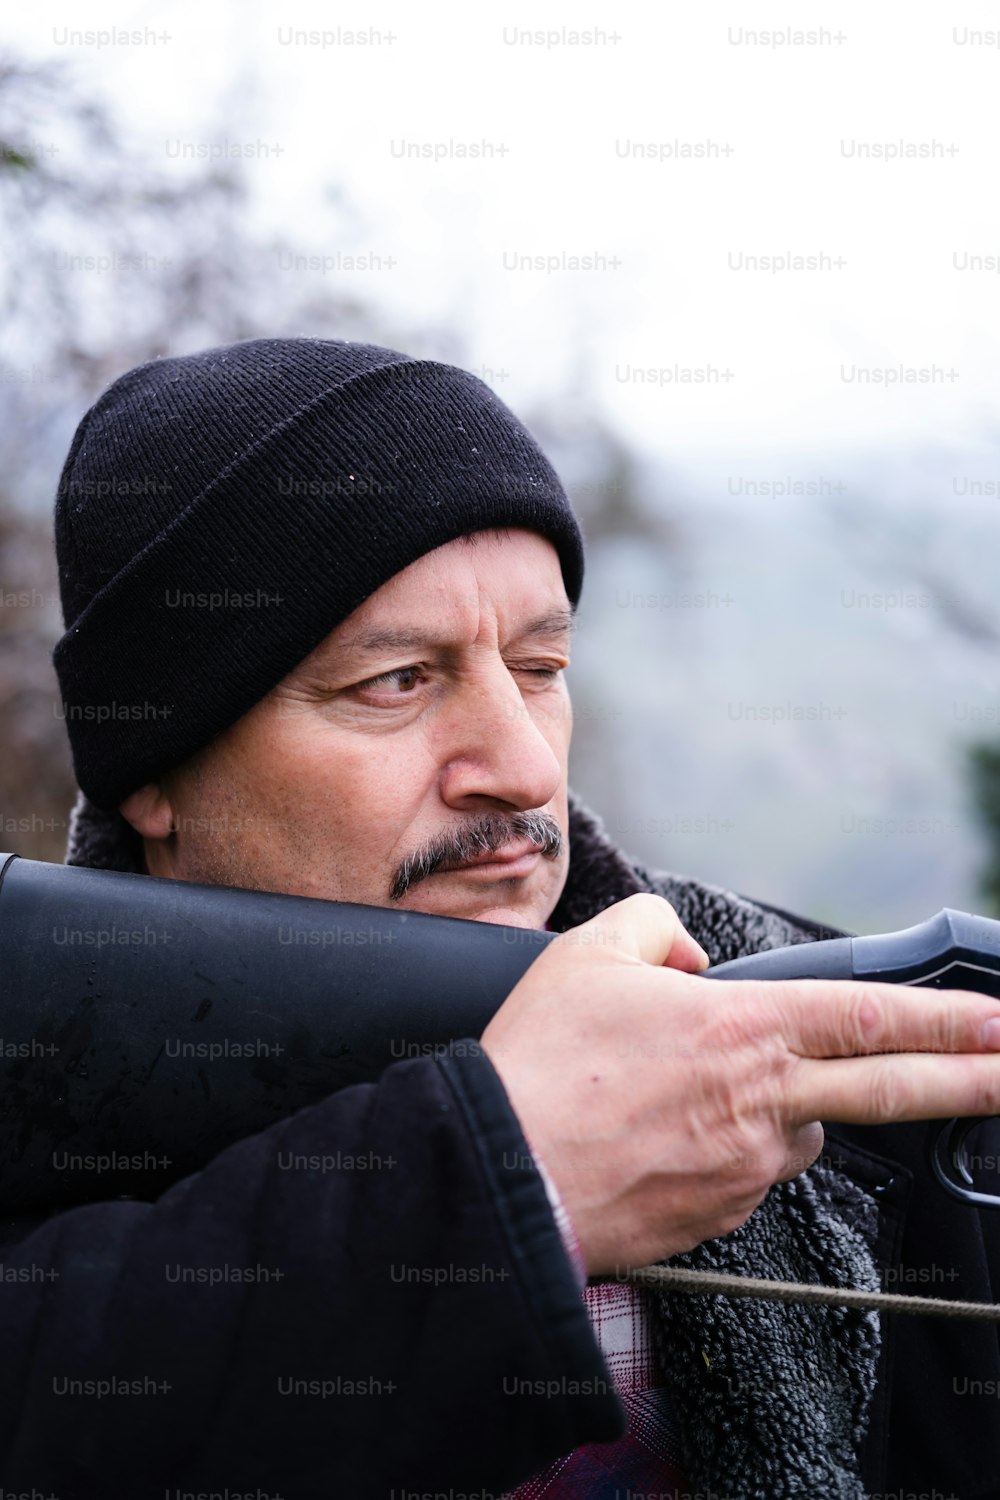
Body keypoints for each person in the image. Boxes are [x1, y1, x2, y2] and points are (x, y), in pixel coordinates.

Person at [6, 336, 999, 1499]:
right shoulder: (46, 1078)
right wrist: (504, 1190)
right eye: (397, 682)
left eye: (538, 667)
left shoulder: (816, 1019)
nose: (525, 771)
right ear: (154, 773)